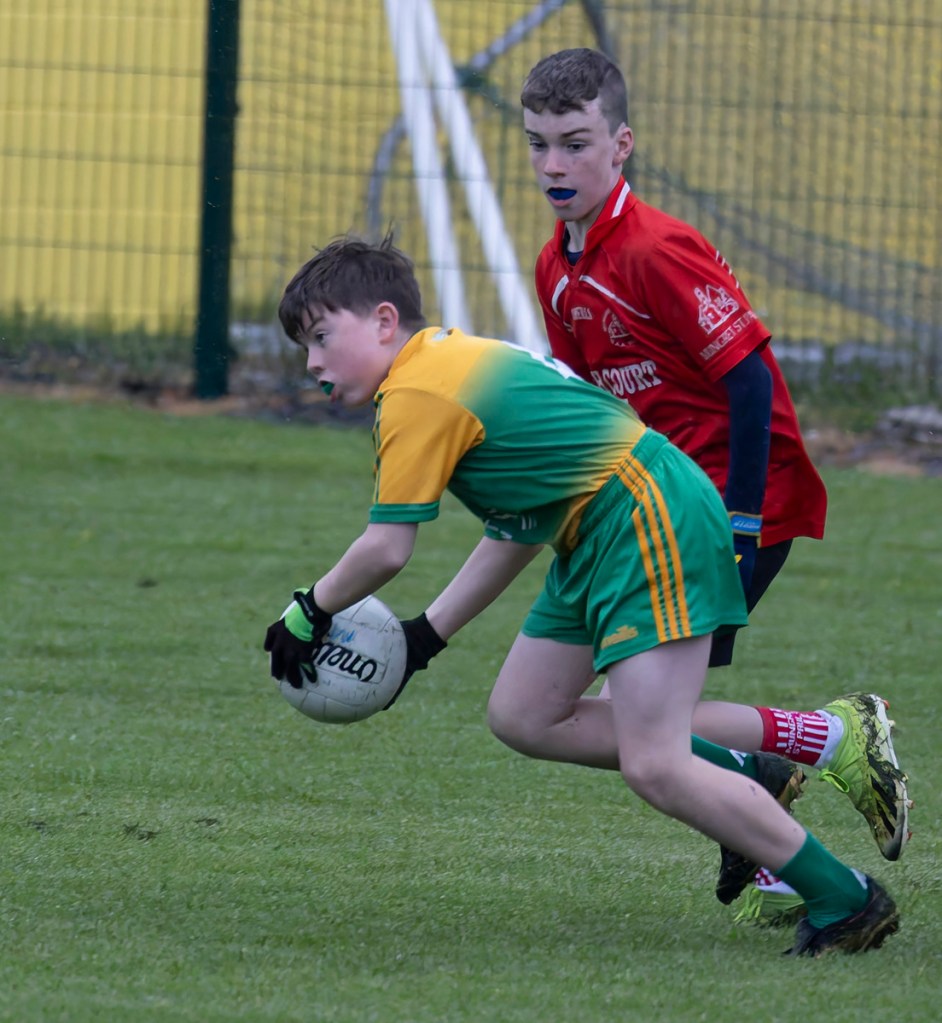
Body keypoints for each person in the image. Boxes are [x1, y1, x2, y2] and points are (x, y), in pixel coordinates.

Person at [263, 233, 899, 956]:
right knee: (525, 714)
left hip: (643, 517)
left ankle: (845, 896)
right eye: (304, 348)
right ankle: (750, 771)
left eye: (321, 337)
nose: (312, 363)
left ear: (384, 321)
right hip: (598, 527)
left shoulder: (414, 391)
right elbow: (519, 526)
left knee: (656, 762)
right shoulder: (442, 362)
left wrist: (309, 608)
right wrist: (424, 638)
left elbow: (386, 547)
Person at [519, 48, 909, 920]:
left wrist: (740, 521)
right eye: (539, 143)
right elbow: (595, 408)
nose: (554, 164)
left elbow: (752, 382)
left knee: (645, 720)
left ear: (621, 145)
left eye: (575, 143)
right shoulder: (556, 267)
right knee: (626, 714)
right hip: (653, 510)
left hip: (734, 500)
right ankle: (824, 746)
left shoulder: (658, 249)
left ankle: (789, 828)